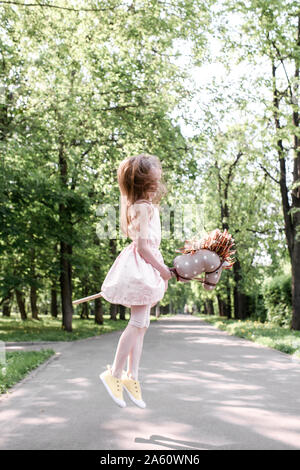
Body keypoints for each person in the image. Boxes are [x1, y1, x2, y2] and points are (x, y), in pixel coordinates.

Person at [99, 153, 175, 409]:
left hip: (145, 266)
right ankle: (115, 374)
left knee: (142, 325)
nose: (158, 186)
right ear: (145, 185)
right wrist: (163, 269)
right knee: (138, 323)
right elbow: (143, 246)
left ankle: (132, 377)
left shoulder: (142, 206)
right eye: (154, 182)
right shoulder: (142, 207)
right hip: (143, 267)